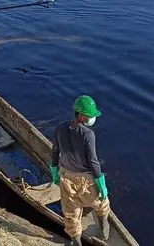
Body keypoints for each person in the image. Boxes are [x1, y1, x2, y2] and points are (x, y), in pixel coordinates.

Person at [50, 95, 111, 245]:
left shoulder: (60, 128)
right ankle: (104, 229)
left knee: (71, 216)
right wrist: (100, 182)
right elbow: (93, 161)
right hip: (85, 180)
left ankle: (77, 243)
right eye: (90, 115)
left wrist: (54, 170)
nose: (92, 118)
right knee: (102, 204)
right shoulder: (88, 134)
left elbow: (55, 151)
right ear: (81, 115)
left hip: (66, 178)